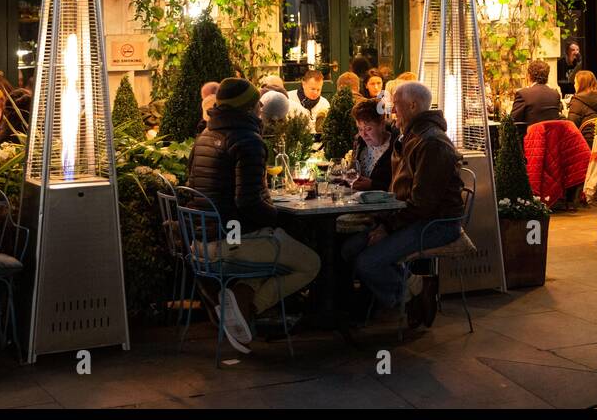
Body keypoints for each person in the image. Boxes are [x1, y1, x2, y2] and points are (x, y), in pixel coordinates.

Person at [186, 77, 321, 353]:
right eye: (256, 103)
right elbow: (248, 204)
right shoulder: (247, 140)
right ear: (249, 108)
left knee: (274, 246)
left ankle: (241, 297)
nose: (261, 107)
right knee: (311, 262)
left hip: (200, 243)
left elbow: (195, 189)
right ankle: (248, 306)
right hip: (232, 244)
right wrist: (279, 217)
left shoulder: (203, 138)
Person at [341, 81, 464, 328]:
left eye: (396, 105)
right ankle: (411, 290)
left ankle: (411, 298)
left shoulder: (431, 143)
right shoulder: (411, 136)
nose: (391, 112)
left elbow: (423, 204)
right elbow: (401, 192)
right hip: (409, 217)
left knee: (367, 262)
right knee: (348, 249)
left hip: (436, 223)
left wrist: (387, 227)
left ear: (413, 105)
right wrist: (384, 221)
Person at [351, 98, 399, 192]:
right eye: (360, 129)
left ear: (382, 124)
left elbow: (400, 185)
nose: (363, 134)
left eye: (368, 129)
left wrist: (373, 185)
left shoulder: (396, 146)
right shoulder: (359, 142)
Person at [510, 59, 563, 126]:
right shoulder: (555, 94)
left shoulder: (523, 94)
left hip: (532, 135)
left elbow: (512, 120)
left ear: (529, 76)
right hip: (552, 136)